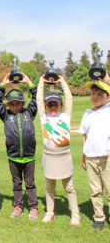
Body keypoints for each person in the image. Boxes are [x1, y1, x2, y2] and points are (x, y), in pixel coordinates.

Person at [0, 72, 38, 220]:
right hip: (13, 157)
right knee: (17, 183)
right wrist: (3, 84)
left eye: (17, 103)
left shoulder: (29, 113)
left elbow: (37, 98)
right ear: (8, 105)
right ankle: (18, 206)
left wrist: (29, 82)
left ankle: (33, 207)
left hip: (29, 156)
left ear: (23, 103)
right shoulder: (6, 115)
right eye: (11, 104)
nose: (15, 106)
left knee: (30, 184)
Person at [37, 75, 79, 226]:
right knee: (50, 187)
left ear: (61, 106)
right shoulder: (44, 118)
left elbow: (69, 99)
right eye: (50, 105)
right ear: (47, 106)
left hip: (63, 155)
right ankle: (50, 211)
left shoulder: (66, 116)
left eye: (56, 104)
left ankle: (75, 213)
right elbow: (38, 101)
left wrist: (63, 83)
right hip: (49, 155)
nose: (53, 107)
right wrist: (41, 83)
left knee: (69, 187)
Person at [78, 78, 110, 230]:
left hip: (106, 156)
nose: (94, 97)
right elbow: (84, 137)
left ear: (107, 97)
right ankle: (99, 218)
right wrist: (83, 157)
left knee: (109, 190)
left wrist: (108, 81)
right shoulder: (87, 114)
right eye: (92, 93)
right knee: (95, 190)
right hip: (90, 157)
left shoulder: (108, 110)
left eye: (99, 94)